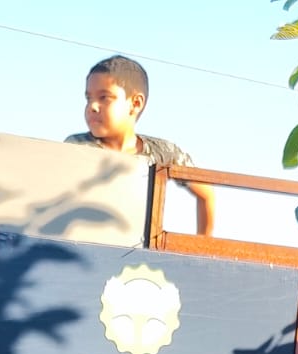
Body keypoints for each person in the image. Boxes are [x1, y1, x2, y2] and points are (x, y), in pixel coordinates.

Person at [66, 54, 216, 237]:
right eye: (88, 98)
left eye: (104, 97)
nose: (93, 106)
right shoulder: (77, 147)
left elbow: (206, 195)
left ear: (135, 103)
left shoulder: (164, 153)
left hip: (138, 255)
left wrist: (201, 246)